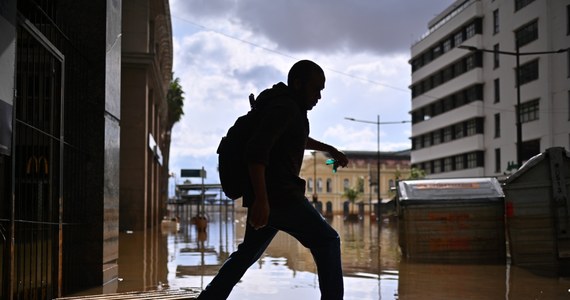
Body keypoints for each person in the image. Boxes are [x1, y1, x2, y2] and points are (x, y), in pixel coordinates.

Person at [197, 60, 348, 300]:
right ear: (298, 84)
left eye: (322, 90)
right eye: (316, 89)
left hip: (271, 196)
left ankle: (210, 298)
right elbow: (256, 153)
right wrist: (262, 201)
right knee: (328, 241)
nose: (319, 96)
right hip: (280, 194)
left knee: (247, 253)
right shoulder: (285, 108)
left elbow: (297, 138)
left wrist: (329, 149)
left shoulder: (289, 109)